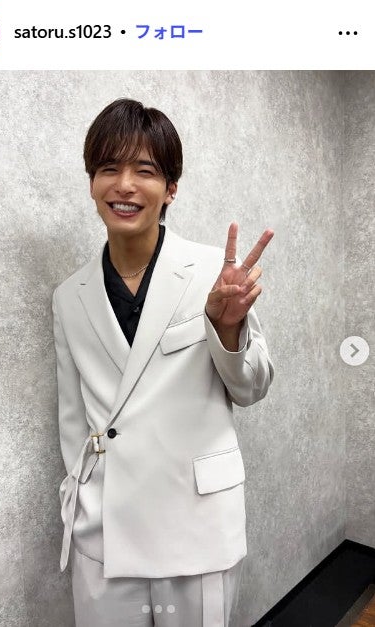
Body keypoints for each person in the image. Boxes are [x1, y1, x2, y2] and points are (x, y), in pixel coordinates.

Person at [52, 98, 275, 627]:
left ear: (170, 188)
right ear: (92, 183)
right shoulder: (69, 295)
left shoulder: (213, 272)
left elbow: (253, 388)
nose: (124, 185)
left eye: (145, 171)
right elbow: (73, 417)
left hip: (196, 524)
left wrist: (227, 327)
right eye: (109, 168)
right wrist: (81, 503)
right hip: (107, 531)